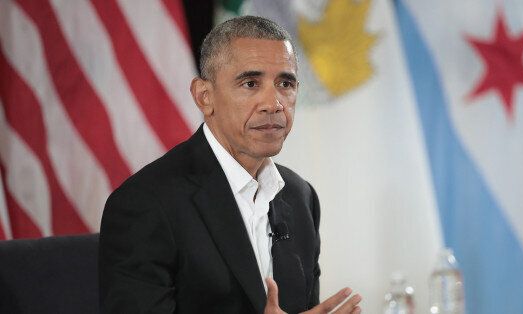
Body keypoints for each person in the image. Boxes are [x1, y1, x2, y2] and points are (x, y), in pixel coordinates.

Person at [99, 16, 362, 314]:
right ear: (204, 96)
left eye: (285, 83)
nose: (274, 103)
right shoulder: (145, 203)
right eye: (251, 83)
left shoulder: (300, 197)